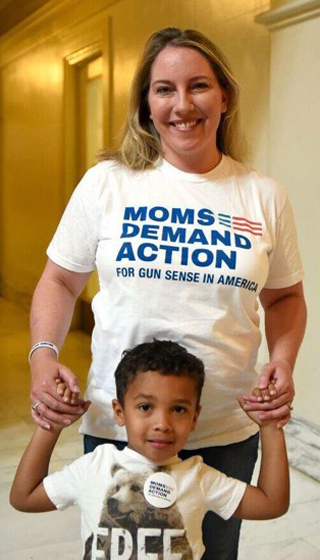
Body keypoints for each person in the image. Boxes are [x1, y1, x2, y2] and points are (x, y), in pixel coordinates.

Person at [28, 27, 306, 560]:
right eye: (164, 89)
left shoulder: (262, 195)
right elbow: (60, 281)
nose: (183, 105)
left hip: (224, 423)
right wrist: (44, 356)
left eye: (199, 86)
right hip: (121, 427)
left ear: (224, 97)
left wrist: (284, 360)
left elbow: (285, 298)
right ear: (146, 105)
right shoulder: (108, 183)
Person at [12, 340, 289, 560]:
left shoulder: (199, 477)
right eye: (145, 407)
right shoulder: (95, 466)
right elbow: (24, 497)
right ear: (119, 412)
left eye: (179, 409)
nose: (162, 424)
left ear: (195, 417)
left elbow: (271, 503)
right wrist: (52, 424)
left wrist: (271, 428)